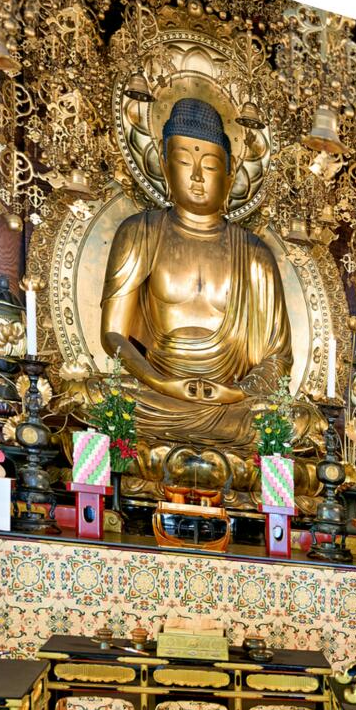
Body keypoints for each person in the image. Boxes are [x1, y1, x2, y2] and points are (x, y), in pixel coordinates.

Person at [100, 97, 293, 450]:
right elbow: (113, 334)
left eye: (210, 165)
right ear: (163, 164)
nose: (197, 177)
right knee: (92, 399)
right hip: (155, 394)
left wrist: (236, 392)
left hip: (232, 401)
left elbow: (277, 356)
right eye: (184, 161)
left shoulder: (254, 253)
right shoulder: (140, 232)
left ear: (231, 175)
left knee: (296, 422)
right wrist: (161, 383)